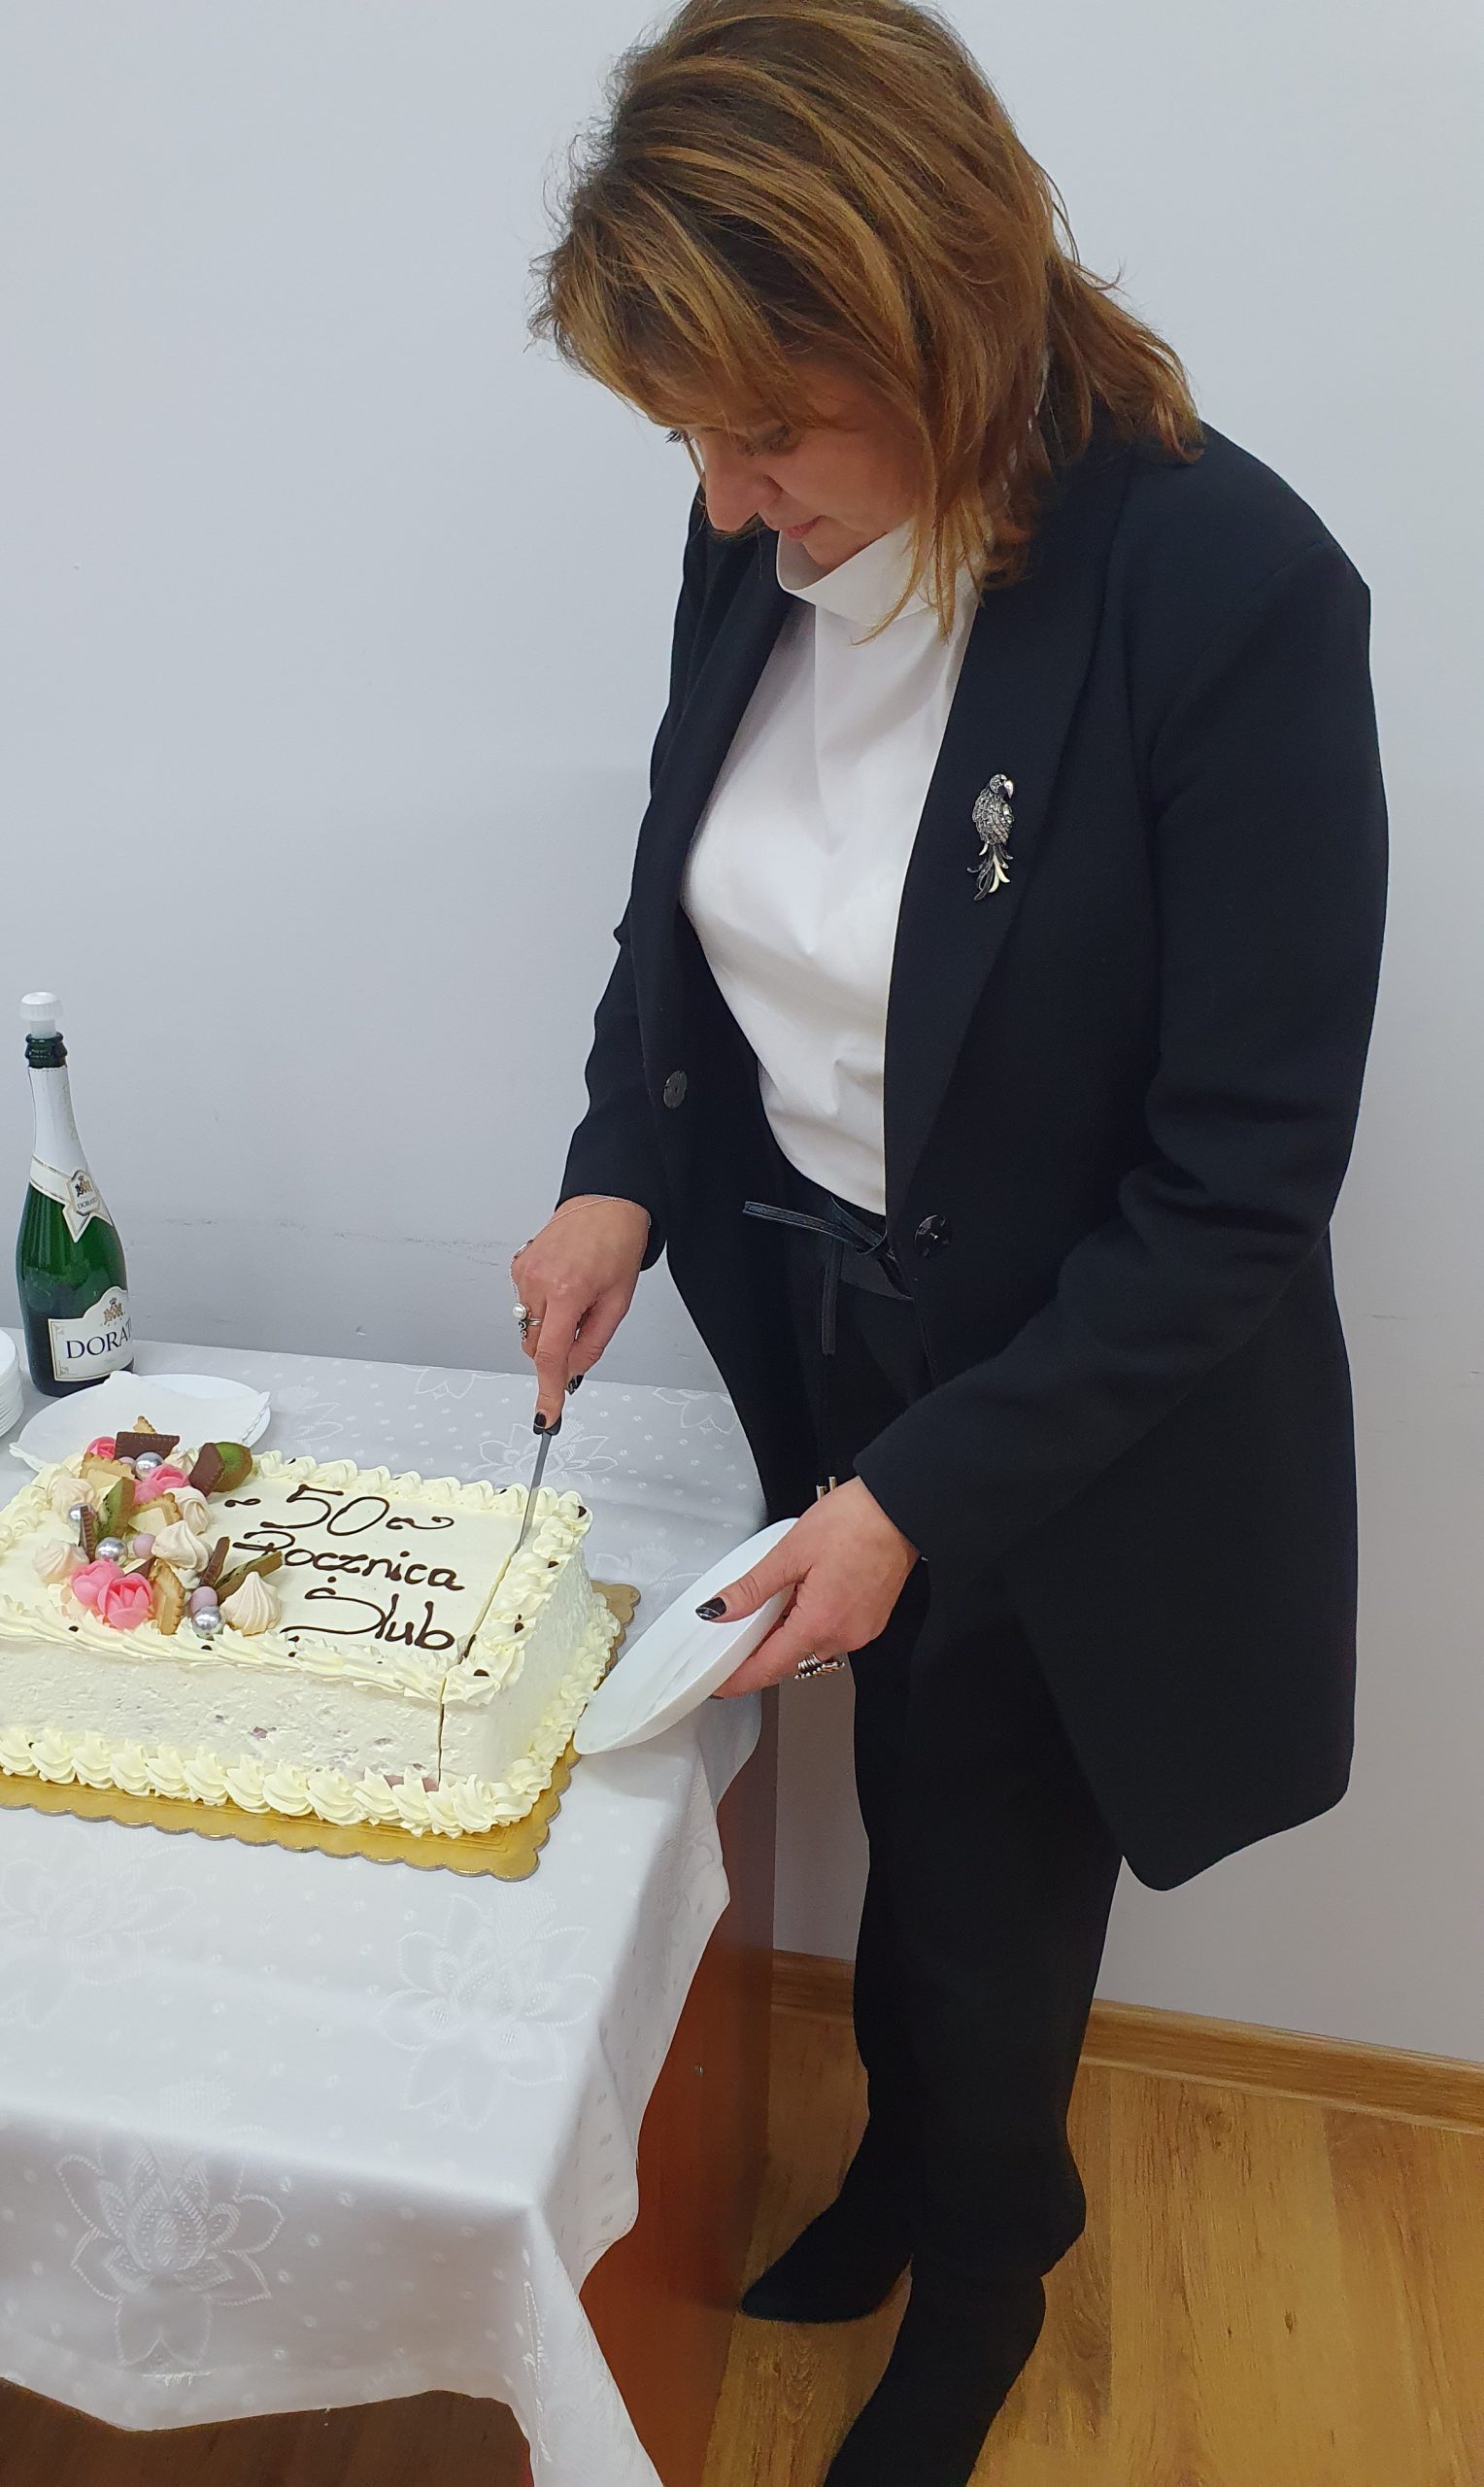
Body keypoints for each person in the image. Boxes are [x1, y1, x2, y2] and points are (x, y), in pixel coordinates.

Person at [508, 3, 1388, 2481]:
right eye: (688, 440)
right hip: (816, 1316)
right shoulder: (756, 535)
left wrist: (922, 1492)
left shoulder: (1223, 592)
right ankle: (913, 2167)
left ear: (935, 320)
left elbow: (1241, 1183)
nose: (723, 498)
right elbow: (676, 900)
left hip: (1070, 1384)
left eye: (764, 430)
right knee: (913, 1792)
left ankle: (991, 2262)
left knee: (1000, 1857)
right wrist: (618, 1158)